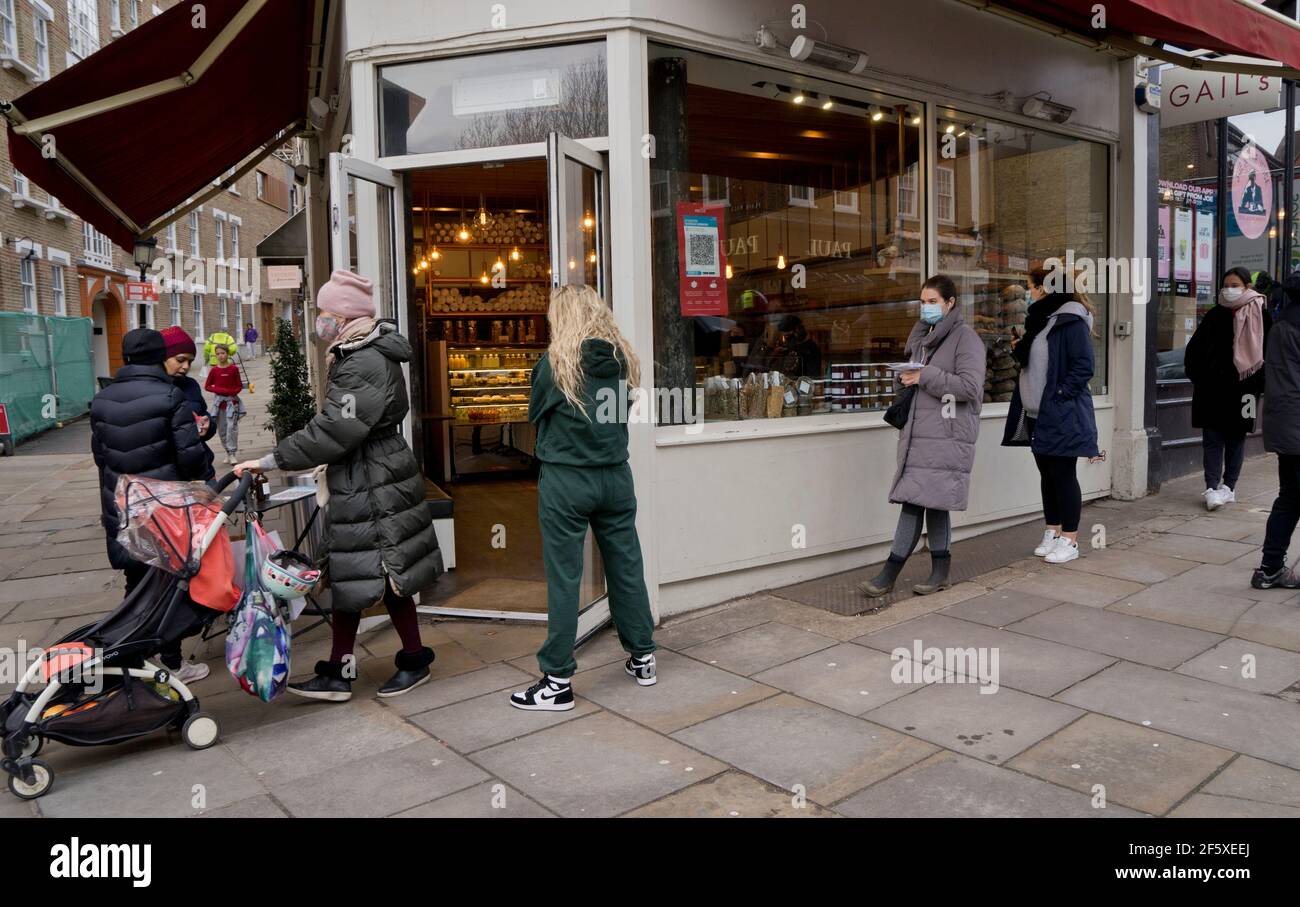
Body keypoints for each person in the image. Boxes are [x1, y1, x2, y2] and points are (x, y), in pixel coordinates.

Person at [235, 270, 442, 701]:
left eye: (325, 311)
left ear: (344, 316)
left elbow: (336, 429)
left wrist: (274, 460)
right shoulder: (355, 352)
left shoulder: (363, 360)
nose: (320, 319)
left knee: (381, 573)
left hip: (372, 478)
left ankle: (405, 660)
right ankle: (343, 669)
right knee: (356, 573)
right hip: (366, 474)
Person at [509, 285, 656, 712]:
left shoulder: (556, 364)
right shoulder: (624, 360)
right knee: (627, 568)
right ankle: (643, 656)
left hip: (567, 480)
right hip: (615, 478)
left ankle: (556, 681)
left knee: (564, 578)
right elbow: (620, 415)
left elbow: (535, 413)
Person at [90, 328, 212, 683]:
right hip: (163, 509)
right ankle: (173, 663)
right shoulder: (170, 396)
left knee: (136, 582)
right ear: (161, 357)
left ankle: (129, 656)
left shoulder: (102, 400)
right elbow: (191, 460)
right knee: (172, 584)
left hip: (123, 506)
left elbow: (100, 456)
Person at [859, 275, 986, 598]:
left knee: (914, 502)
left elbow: (970, 388)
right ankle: (939, 572)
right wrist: (904, 378)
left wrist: (924, 375)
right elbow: (915, 382)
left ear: (950, 303)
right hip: (920, 433)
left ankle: (888, 574)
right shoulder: (923, 336)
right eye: (922, 302)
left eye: (933, 302)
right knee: (933, 503)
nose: (926, 308)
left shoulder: (965, 338)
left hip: (947, 435)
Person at [1002, 266, 1100, 565]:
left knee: (1063, 475)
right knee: (1047, 475)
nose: (1029, 293)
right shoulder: (1039, 322)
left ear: (1044, 289)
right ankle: (1053, 531)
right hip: (1034, 412)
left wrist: (1058, 396)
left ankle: (1070, 539)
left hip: (1059, 412)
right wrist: (1019, 348)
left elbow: (1083, 366)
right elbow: (1034, 364)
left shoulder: (1070, 320)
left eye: (1030, 287)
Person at [1184, 267, 1270, 511]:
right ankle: (1212, 486)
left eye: (1235, 285)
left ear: (1246, 286)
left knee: (1237, 438)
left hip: (1247, 392)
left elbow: (1268, 354)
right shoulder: (1215, 315)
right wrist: (1200, 378)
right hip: (1212, 391)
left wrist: (1259, 385)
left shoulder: (1261, 314)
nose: (1229, 290)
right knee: (1212, 438)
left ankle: (1229, 487)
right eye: (1226, 285)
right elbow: (1195, 351)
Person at [1252, 274, 1300, 589]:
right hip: (1294, 425)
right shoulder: (1291, 327)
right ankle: (1269, 568)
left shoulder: (1284, 323)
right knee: (1291, 499)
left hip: (1288, 426)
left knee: (1290, 498)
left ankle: (1269, 568)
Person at [161, 326, 216, 482]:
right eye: (180, 360)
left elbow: (204, 413)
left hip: (203, 472)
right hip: (171, 478)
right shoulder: (152, 389)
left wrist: (207, 424)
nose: (186, 366)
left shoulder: (191, 385)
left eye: (190, 361)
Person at [205, 345, 244, 464]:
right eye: (218, 354)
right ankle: (227, 452)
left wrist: (232, 392)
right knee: (222, 430)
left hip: (232, 403)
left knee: (231, 429)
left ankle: (232, 453)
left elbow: (239, 385)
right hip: (219, 405)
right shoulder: (214, 370)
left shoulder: (234, 369)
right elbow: (207, 386)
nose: (220, 356)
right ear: (215, 355)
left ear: (227, 354)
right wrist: (221, 391)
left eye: (223, 353)